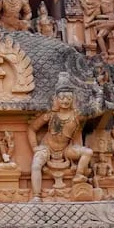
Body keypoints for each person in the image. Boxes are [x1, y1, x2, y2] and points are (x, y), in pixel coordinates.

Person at [27, 74, 92, 202]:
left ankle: (79, 175)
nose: (65, 101)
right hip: (47, 148)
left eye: (68, 97)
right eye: (62, 97)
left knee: (88, 152)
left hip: (66, 150)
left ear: (73, 99)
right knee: (35, 166)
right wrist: (35, 147)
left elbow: (95, 111)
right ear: (56, 99)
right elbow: (31, 129)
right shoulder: (50, 115)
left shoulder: (76, 115)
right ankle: (36, 196)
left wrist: (100, 91)